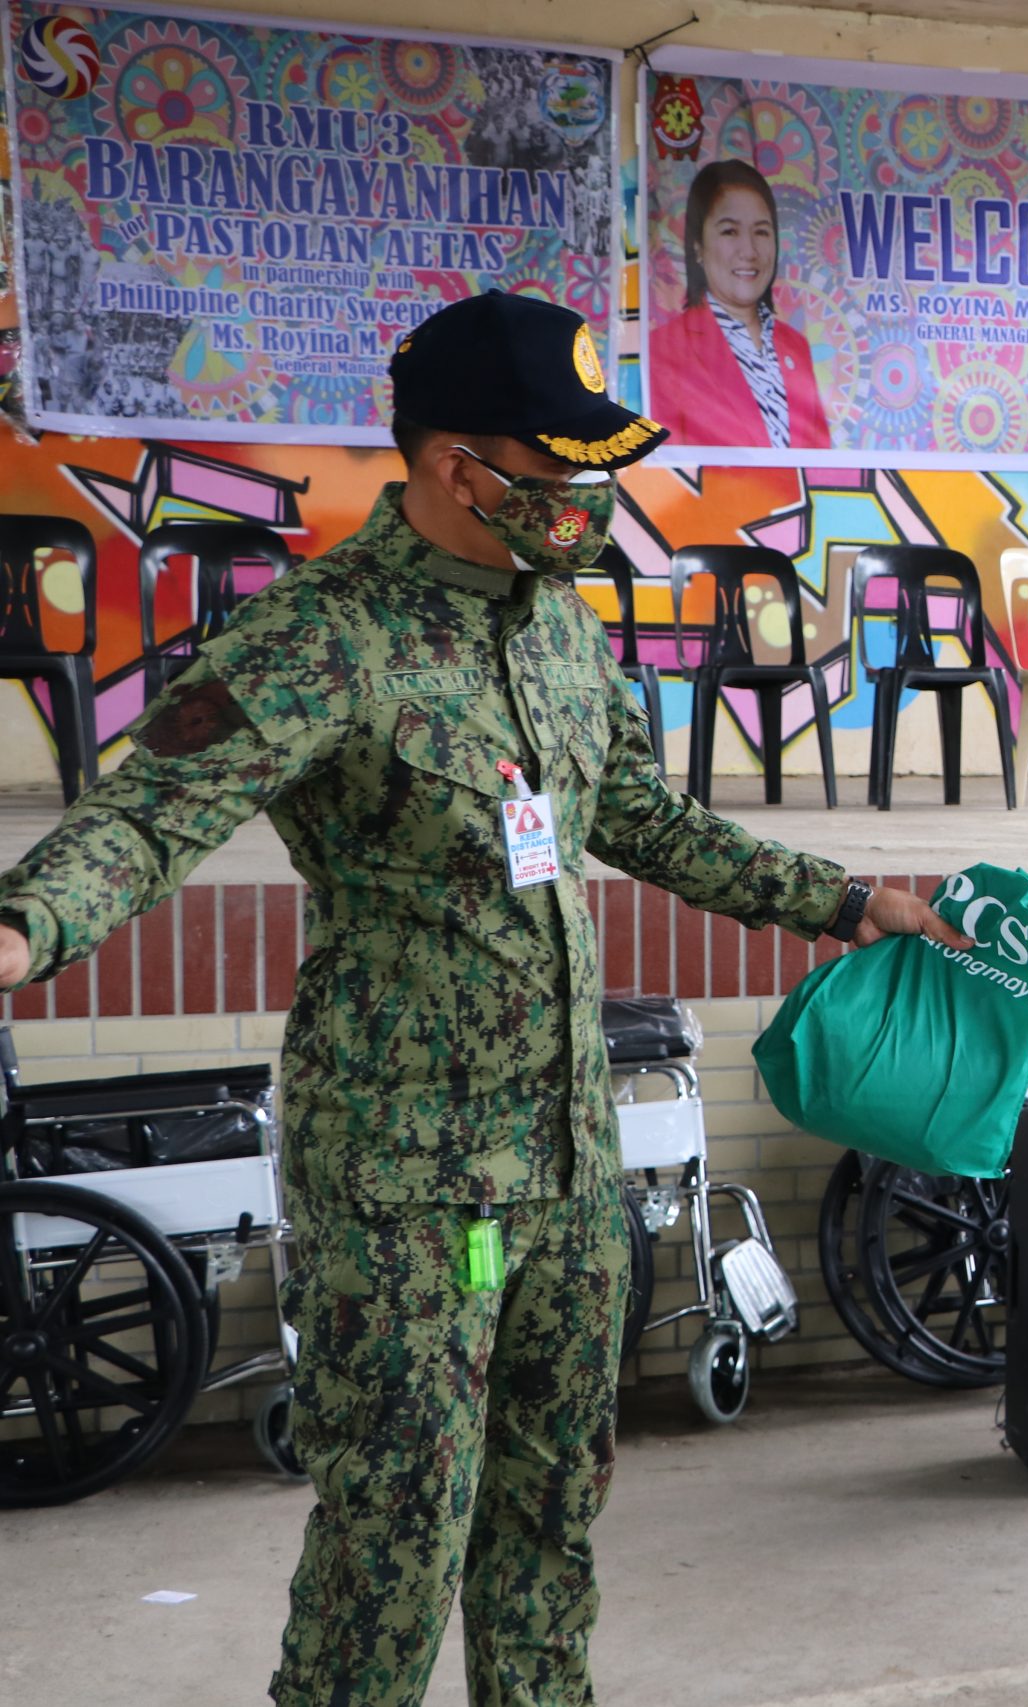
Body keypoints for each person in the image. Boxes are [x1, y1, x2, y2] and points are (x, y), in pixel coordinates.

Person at [0, 290, 964, 1707]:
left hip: (567, 1174)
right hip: (406, 1189)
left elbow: (649, 818)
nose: (590, 501)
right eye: (564, 470)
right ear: (461, 466)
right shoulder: (326, 634)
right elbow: (151, 812)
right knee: (388, 1552)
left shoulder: (562, 628)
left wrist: (844, 901)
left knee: (547, 1534)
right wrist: (25, 926)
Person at [651, 158, 831, 450]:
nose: (749, 251)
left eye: (761, 231)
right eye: (729, 231)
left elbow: (821, 465)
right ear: (697, 246)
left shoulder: (795, 347)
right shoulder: (664, 350)